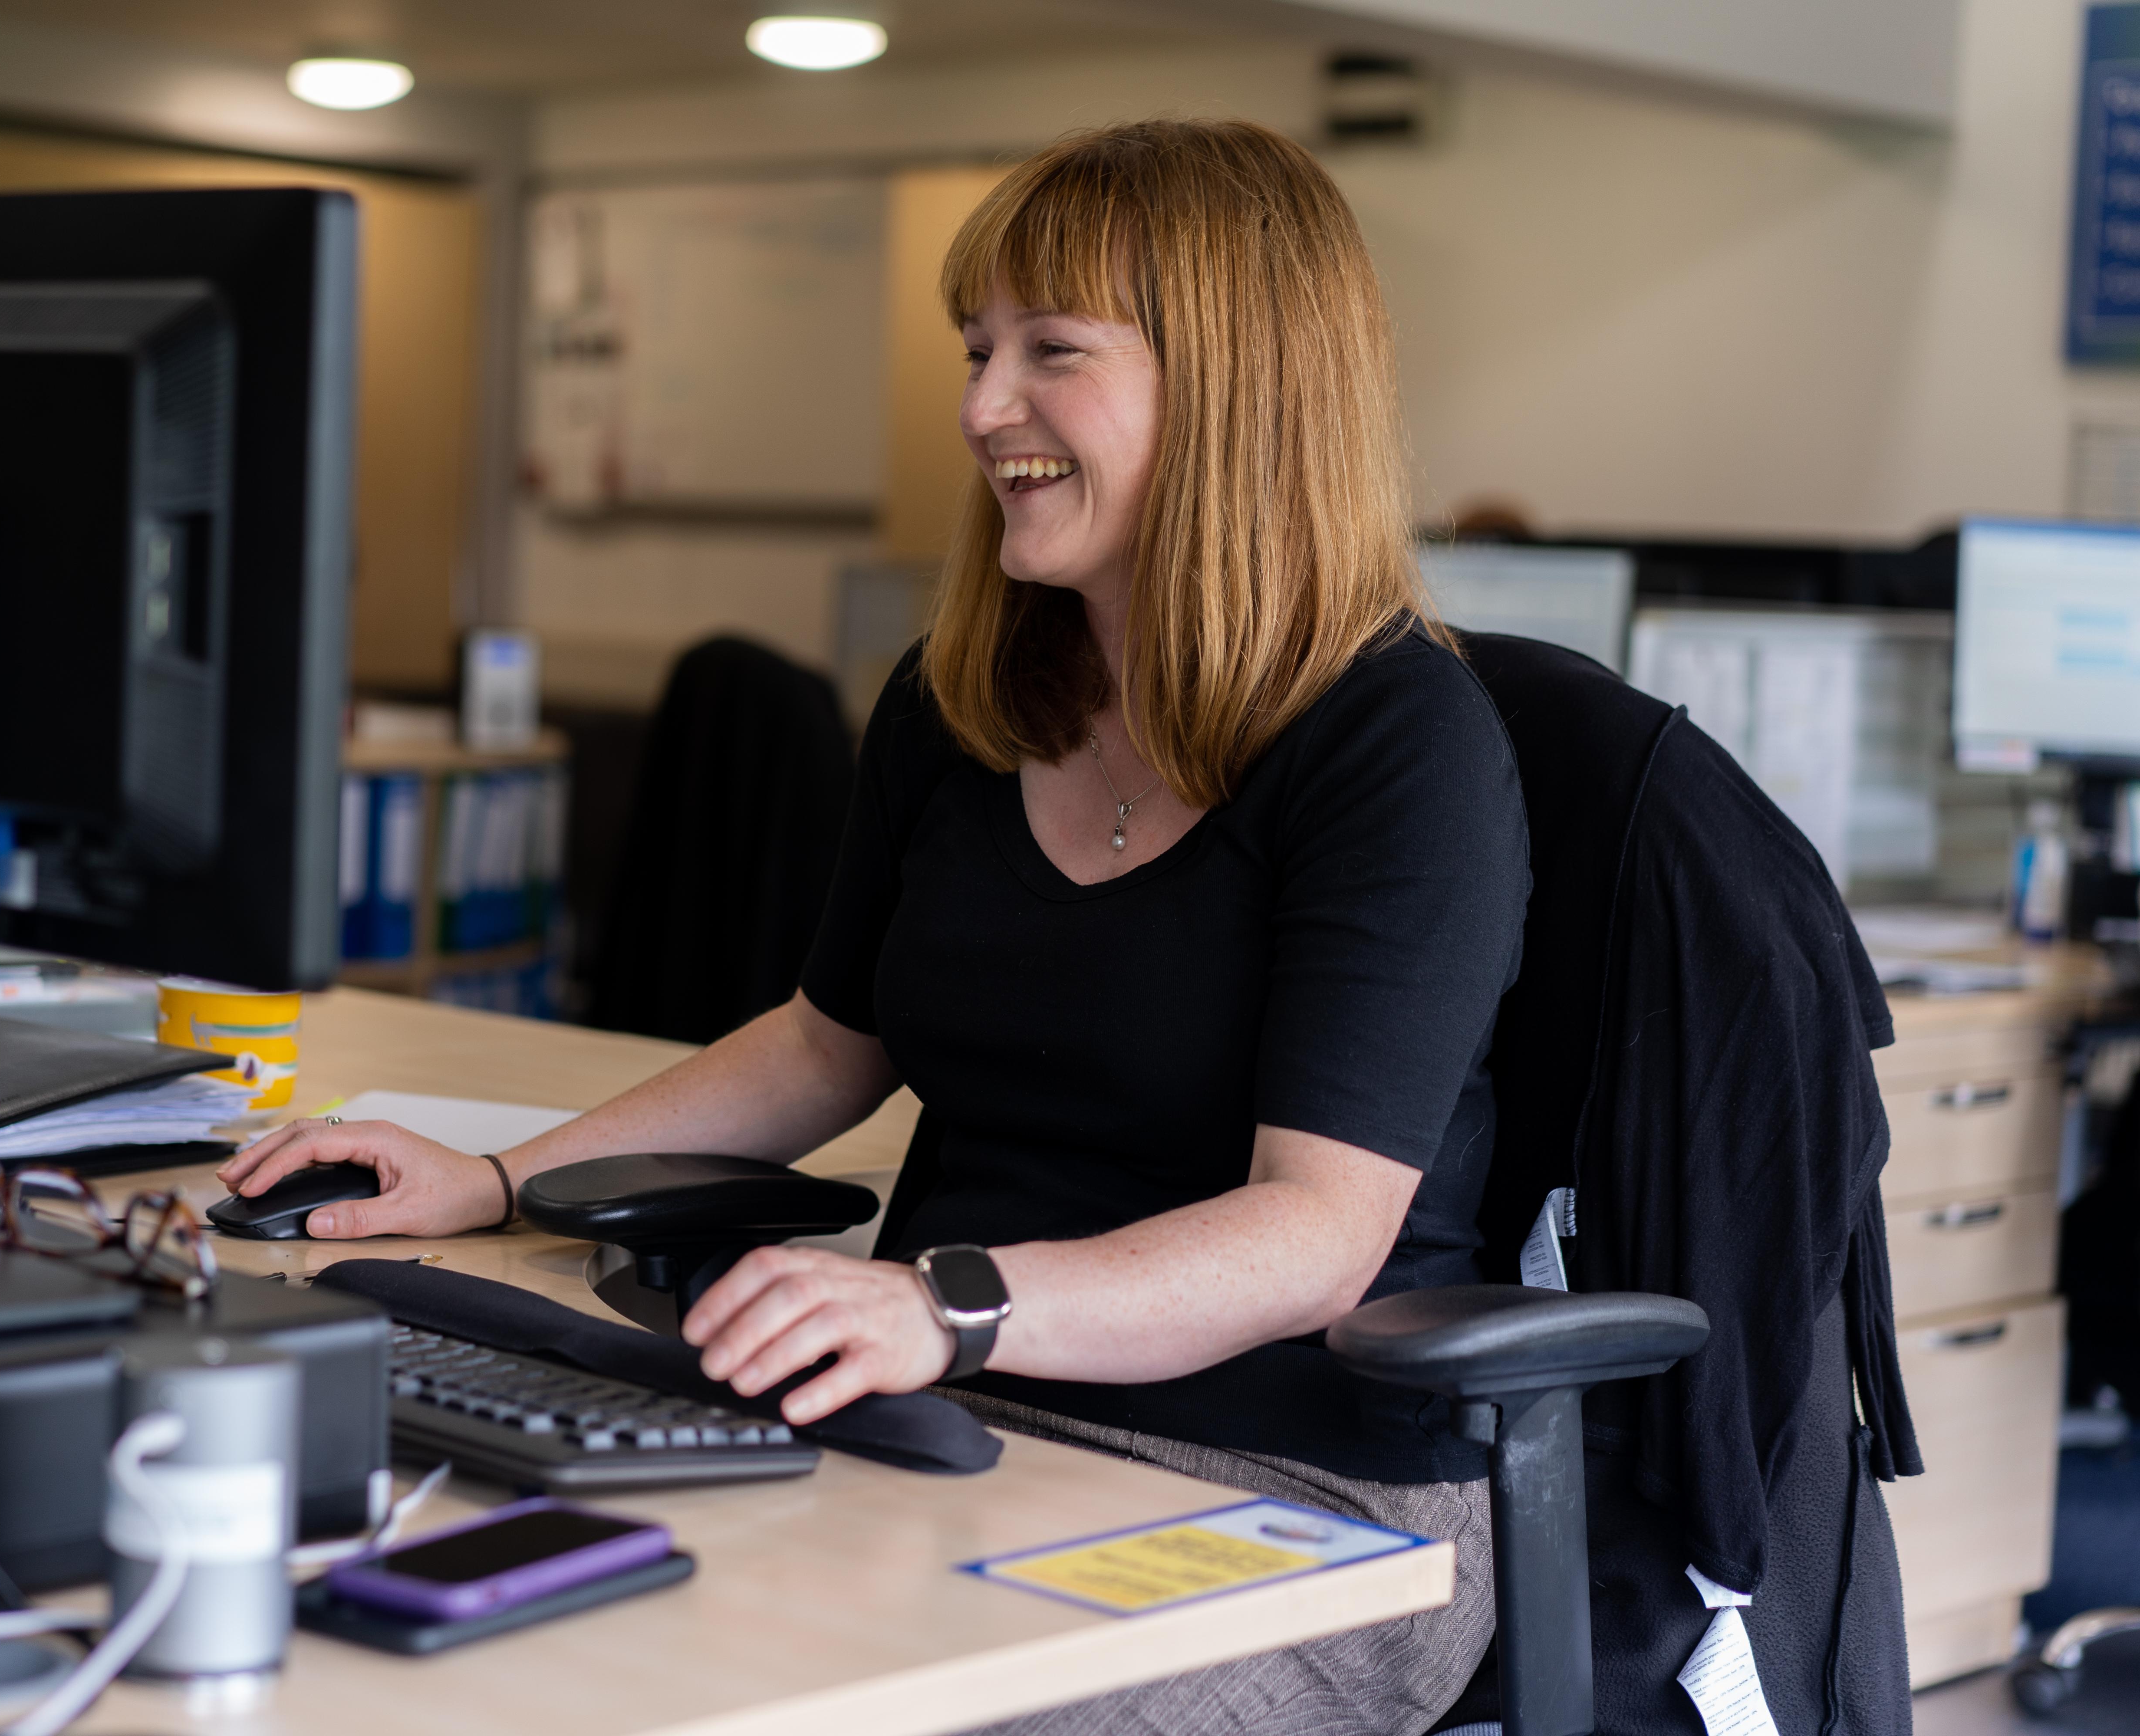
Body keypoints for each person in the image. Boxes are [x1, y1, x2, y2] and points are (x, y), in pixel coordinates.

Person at [223, 118, 1528, 1736]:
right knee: (529, 1650)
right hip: (955, 1435)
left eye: (1055, 351)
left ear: (1243, 381)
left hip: (1291, 1495)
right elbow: (827, 1041)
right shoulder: (968, 698)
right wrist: (500, 1180)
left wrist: (945, 1304)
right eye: (979, 349)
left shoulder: (1398, 745)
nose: (986, 409)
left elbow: (1317, 1237)